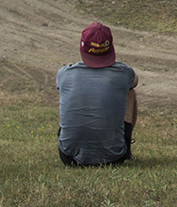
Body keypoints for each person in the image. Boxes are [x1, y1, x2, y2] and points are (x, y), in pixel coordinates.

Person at [57, 22, 138, 166]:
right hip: (114, 158)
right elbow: (135, 81)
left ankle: (74, 140)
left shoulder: (64, 73)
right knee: (130, 92)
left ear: (81, 47)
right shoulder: (124, 73)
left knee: (70, 92)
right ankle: (125, 144)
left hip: (69, 158)